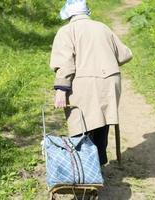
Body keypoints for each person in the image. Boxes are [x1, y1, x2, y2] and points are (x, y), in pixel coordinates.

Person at [50, 0, 132, 165]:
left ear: (69, 15)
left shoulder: (66, 31)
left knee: (80, 123)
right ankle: (99, 160)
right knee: (101, 120)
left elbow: (65, 63)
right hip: (110, 81)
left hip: (85, 83)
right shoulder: (103, 27)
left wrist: (61, 89)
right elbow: (125, 54)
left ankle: (85, 167)